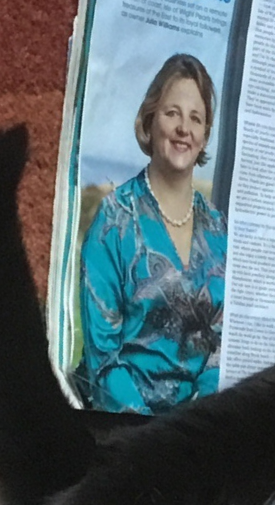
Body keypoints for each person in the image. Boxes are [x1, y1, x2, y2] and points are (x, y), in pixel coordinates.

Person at [78, 54, 228, 414]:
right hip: (126, 431)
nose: (183, 129)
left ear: (205, 136)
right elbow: (103, 360)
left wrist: (200, 427)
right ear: (150, 119)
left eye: (196, 118)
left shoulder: (219, 230)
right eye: (172, 113)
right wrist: (153, 442)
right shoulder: (113, 221)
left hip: (199, 434)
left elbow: (221, 348)